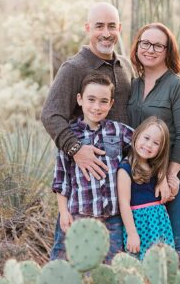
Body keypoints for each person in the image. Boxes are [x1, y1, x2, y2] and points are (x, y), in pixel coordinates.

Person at [127, 22, 180, 262]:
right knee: (149, 244)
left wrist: (169, 177)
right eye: (145, 43)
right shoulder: (133, 85)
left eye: (158, 45)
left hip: (178, 175)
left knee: (178, 243)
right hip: (143, 177)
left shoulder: (178, 86)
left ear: (168, 51)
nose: (150, 49)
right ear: (137, 47)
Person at [41, 2, 133, 182]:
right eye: (99, 26)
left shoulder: (126, 66)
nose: (106, 33)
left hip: (128, 175)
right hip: (91, 177)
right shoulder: (74, 68)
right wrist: (76, 149)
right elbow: (50, 115)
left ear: (119, 29)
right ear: (88, 28)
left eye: (112, 26)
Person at [51, 73, 134, 261]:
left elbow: (143, 146)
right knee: (76, 266)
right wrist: (64, 212)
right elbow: (61, 179)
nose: (97, 107)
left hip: (113, 219)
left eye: (103, 101)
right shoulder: (70, 136)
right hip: (80, 216)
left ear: (111, 104)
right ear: (80, 99)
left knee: (111, 269)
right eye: (91, 99)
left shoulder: (118, 131)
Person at [117, 116, 175, 260]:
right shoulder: (125, 169)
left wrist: (172, 188)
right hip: (139, 225)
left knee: (162, 263)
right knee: (141, 265)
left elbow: (165, 196)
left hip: (159, 223)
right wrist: (132, 234)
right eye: (146, 138)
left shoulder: (156, 168)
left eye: (156, 143)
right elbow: (124, 203)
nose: (149, 145)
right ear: (136, 135)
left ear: (161, 149)